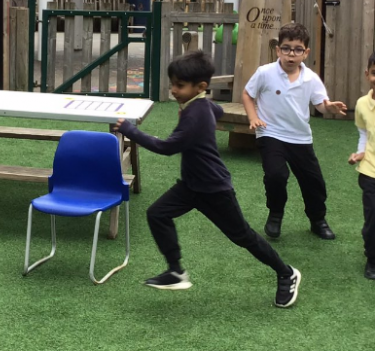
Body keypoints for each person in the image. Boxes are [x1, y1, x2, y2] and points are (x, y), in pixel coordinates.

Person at [115, 50, 301, 308]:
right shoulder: (199, 105)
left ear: (200, 87)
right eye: (173, 84)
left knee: (243, 236)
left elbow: (166, 147)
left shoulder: (195, 115)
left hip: (214, 189)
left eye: (180, 85)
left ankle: (287, 273)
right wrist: (203, 112)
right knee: (157, 213)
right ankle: (175, 271)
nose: (174, 90)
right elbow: (217, 108)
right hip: (191, 185)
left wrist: (129, 130)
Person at [242, 23, 347, 240]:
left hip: (300, 137)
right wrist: (253, 118)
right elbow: (247, 94)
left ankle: (318, 220)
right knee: (276, 175)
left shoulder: (311, 78)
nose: (291, 54)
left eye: (298, 49)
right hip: (270, 133)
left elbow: (320, 104)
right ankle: (275, 214)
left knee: (314, 182)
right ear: (278, 50)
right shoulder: (265, 73)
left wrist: (329, 107)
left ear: (305, 53)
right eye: (286, 48)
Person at [348, 52, 375, 280]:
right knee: (372, 219)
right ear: (367, 74)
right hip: (370, 172)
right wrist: (359, 153)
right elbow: (364, 134)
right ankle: (372, 258)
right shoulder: (362, 104)